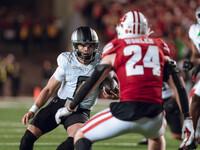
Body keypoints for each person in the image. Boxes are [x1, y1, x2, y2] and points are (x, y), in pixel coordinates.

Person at [56, 11, 195, 150]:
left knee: (81, 135)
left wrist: (71, 107)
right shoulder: (159, 47)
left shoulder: (117, 47)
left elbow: (92, 82)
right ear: (146, 29)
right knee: (157, 137)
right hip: (155, 115)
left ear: (122, 28)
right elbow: (178, 85)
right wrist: (187, 118)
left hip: (126, 111)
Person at [19, 26, 118, 150]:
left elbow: (117, 91)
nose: (87, 49)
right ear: (75, 46)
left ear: (95, 46)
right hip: (59, 104)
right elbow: (49, 89)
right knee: (26, 139)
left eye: (90, 45)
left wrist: (113, 95)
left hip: (80, 111)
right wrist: (33, 109)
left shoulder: (103, 63)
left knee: (72, 142)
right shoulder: (67, 61)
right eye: (82, 45)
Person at [183, 6, 200, 148]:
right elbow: (196, 55)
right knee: (195, 99)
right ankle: (191, 137)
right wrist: (191, 63)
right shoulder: (194, 30)